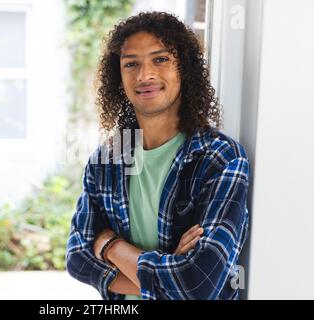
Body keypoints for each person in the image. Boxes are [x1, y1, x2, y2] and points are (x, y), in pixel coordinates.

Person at [66, 11, 249, 300]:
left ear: (184, 69)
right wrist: (167, 278)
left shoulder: (220, 158)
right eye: (131, 64)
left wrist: (111, 246)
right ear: (119, 77)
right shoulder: (108, 159)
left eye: (160, 59)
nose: (145, 75)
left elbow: (198, 285)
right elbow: (77, 258)